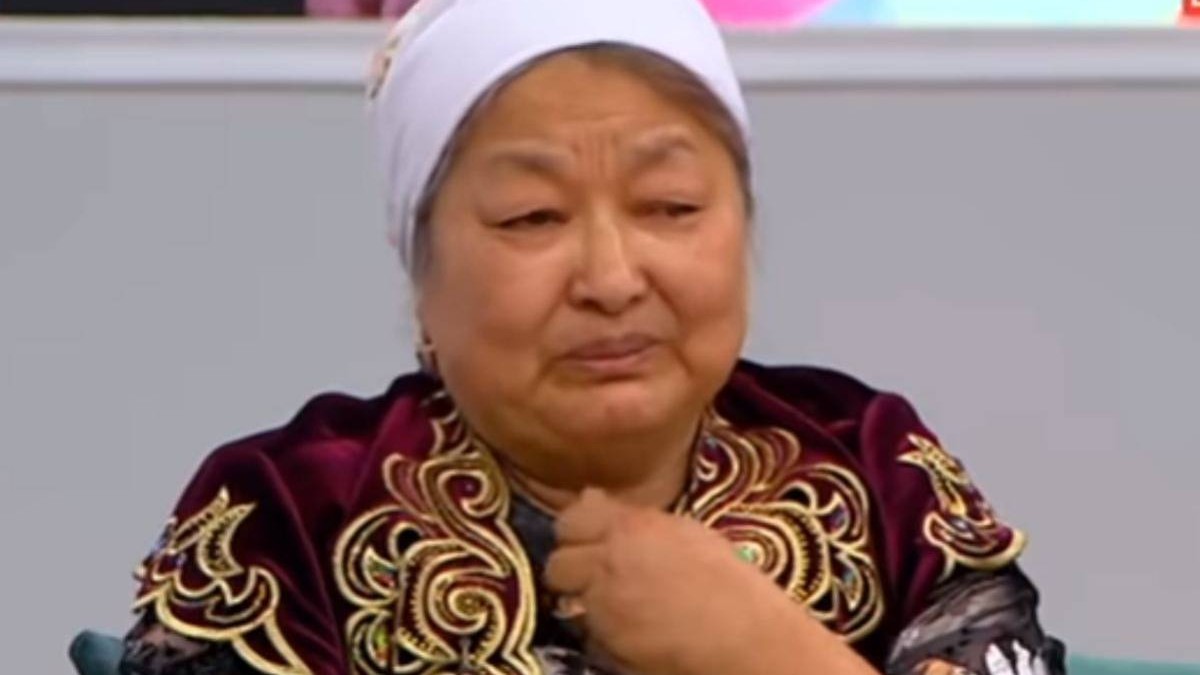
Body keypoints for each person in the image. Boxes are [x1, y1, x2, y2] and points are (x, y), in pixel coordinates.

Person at [117, 0, 1065, 673]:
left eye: (671, 205)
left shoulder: (873, 466)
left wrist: (770, 653)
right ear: (421, 280)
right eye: (531, 217)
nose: (612, 278)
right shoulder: (290, 507)